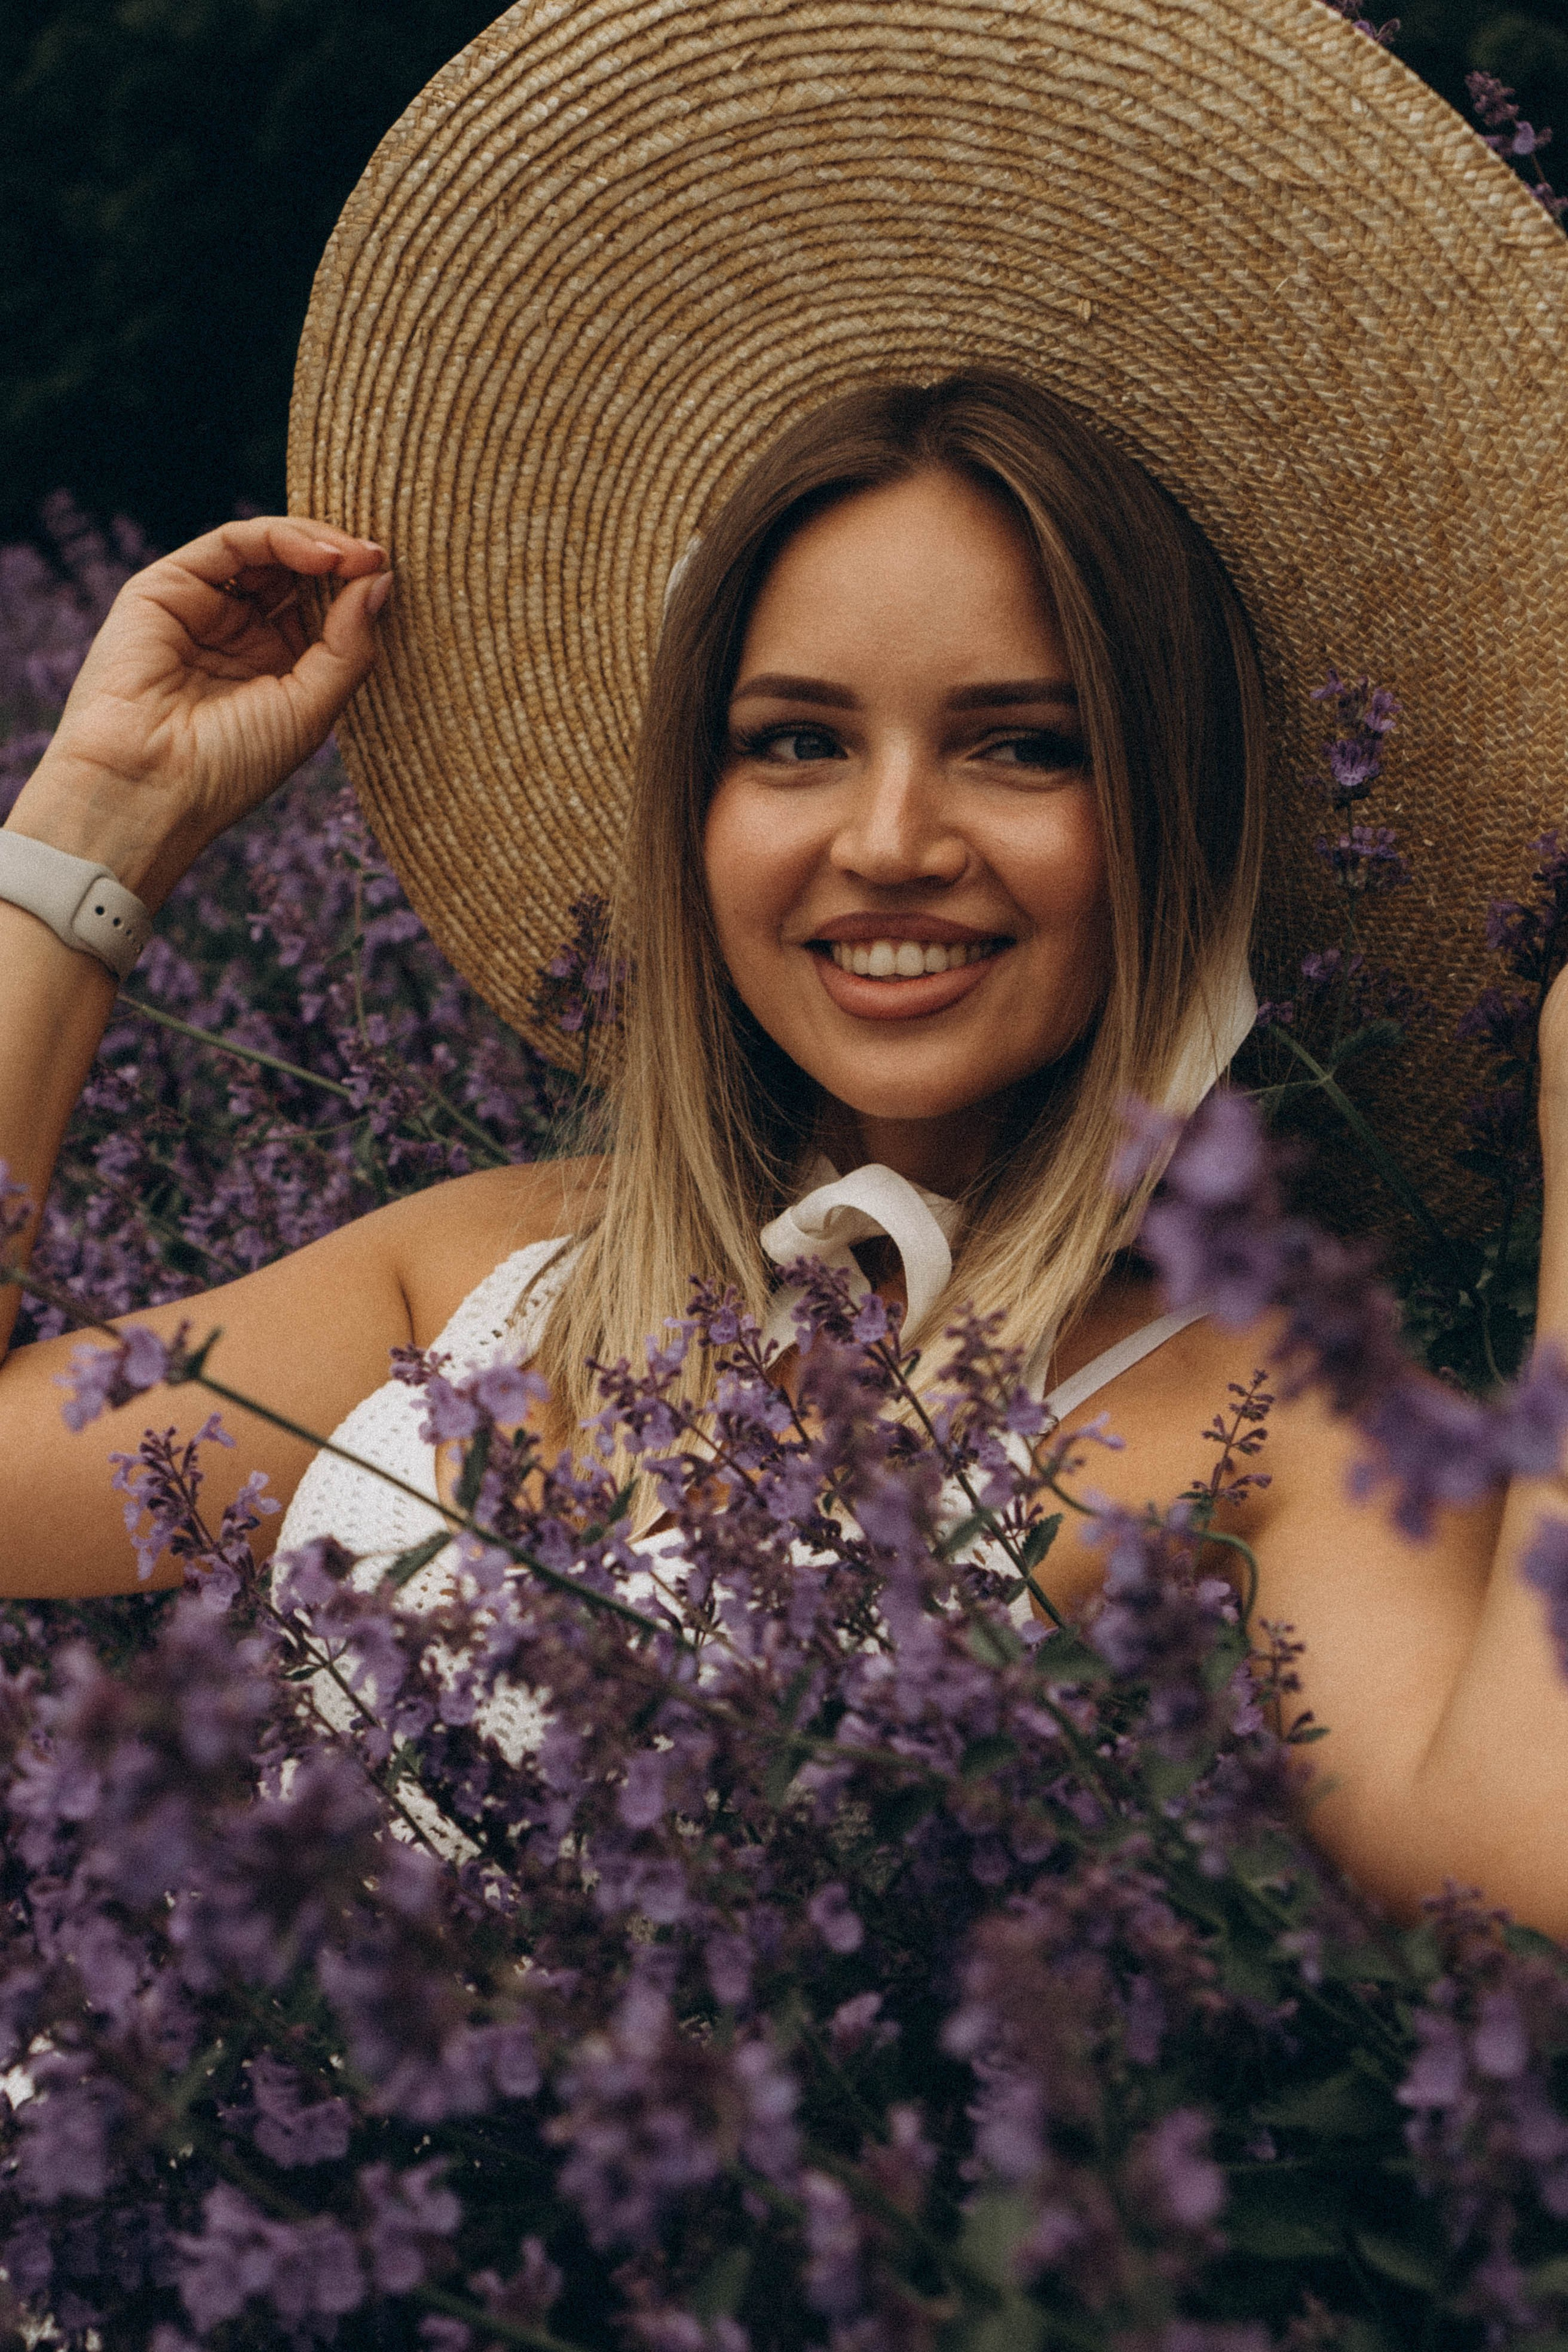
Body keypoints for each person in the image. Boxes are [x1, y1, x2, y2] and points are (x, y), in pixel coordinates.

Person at [2, 0, 1568, 1942]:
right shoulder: (470, 1292)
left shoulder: (1262, 1430)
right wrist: (91, 838)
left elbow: (1521, 1860)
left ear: (1174, 815)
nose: (890, 838)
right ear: (693, 813)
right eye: (796, 741)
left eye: (1025, 741)